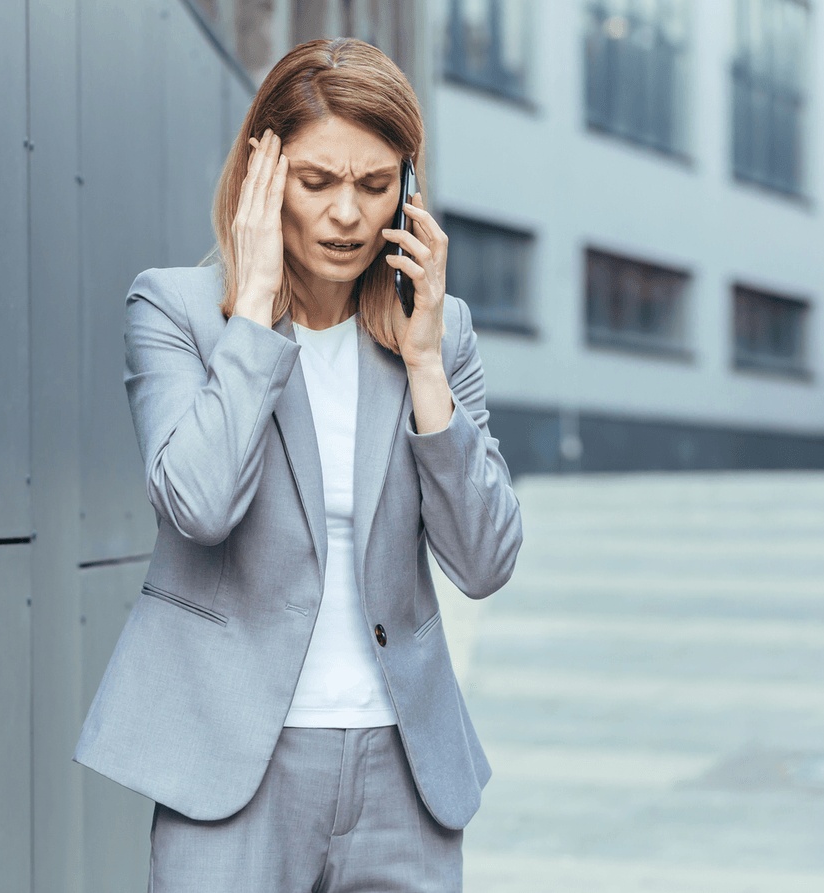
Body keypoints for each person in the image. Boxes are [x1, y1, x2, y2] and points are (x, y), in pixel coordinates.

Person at [74, 37, 523, 893]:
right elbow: (198, 506)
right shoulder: (175, 311)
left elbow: (486, 561)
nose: (347, 214)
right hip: (232, 768)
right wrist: (250, 316)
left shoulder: (440, 329)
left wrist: (426, 364)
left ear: (409, 189)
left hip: (404, 772)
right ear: (262, 176)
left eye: (373, 183)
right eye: (317, 182)